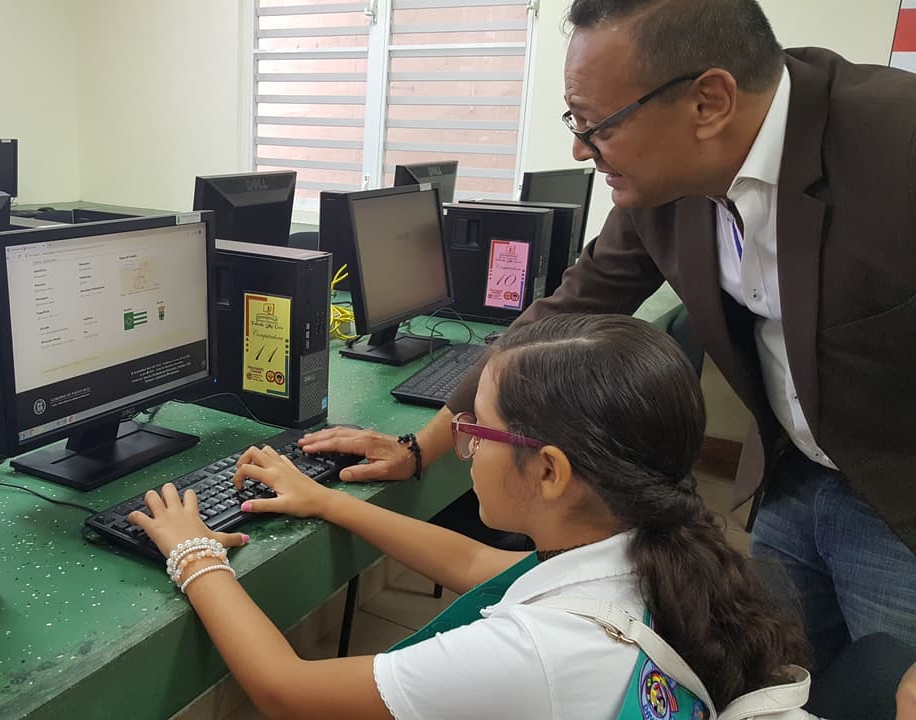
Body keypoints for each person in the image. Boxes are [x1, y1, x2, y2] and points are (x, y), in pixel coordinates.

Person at [300, 0, 916, 672]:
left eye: (598, 126)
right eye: (576, 121)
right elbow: (556, 317)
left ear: (709, 102)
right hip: (794, 477)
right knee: (788, 678)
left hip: (897, 504)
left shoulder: (895, 146)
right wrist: (423, 447)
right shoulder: (664, 183)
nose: (579, 149)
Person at [131, 314, 809, 718]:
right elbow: (477, 564)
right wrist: (327, 500)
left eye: (479, 429)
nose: (463, 446)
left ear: (549, 471)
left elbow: (284, 691)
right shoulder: (646, 551)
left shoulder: (539, 653)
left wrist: (194, 555)